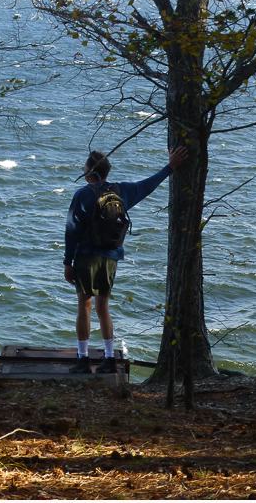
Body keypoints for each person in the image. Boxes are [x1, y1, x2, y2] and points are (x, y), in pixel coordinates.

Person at [63, 146, 188, 374]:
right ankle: (109, 358)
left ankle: (82, 359)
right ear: (107, 172)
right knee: (103, 306)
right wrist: (170, 166)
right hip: (111, 257)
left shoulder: (82, 195)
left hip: (86, 257)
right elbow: (148, 185)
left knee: (85, 305)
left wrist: (67, 263)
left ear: (89, 172)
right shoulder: (121, 192)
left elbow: (71, 231)